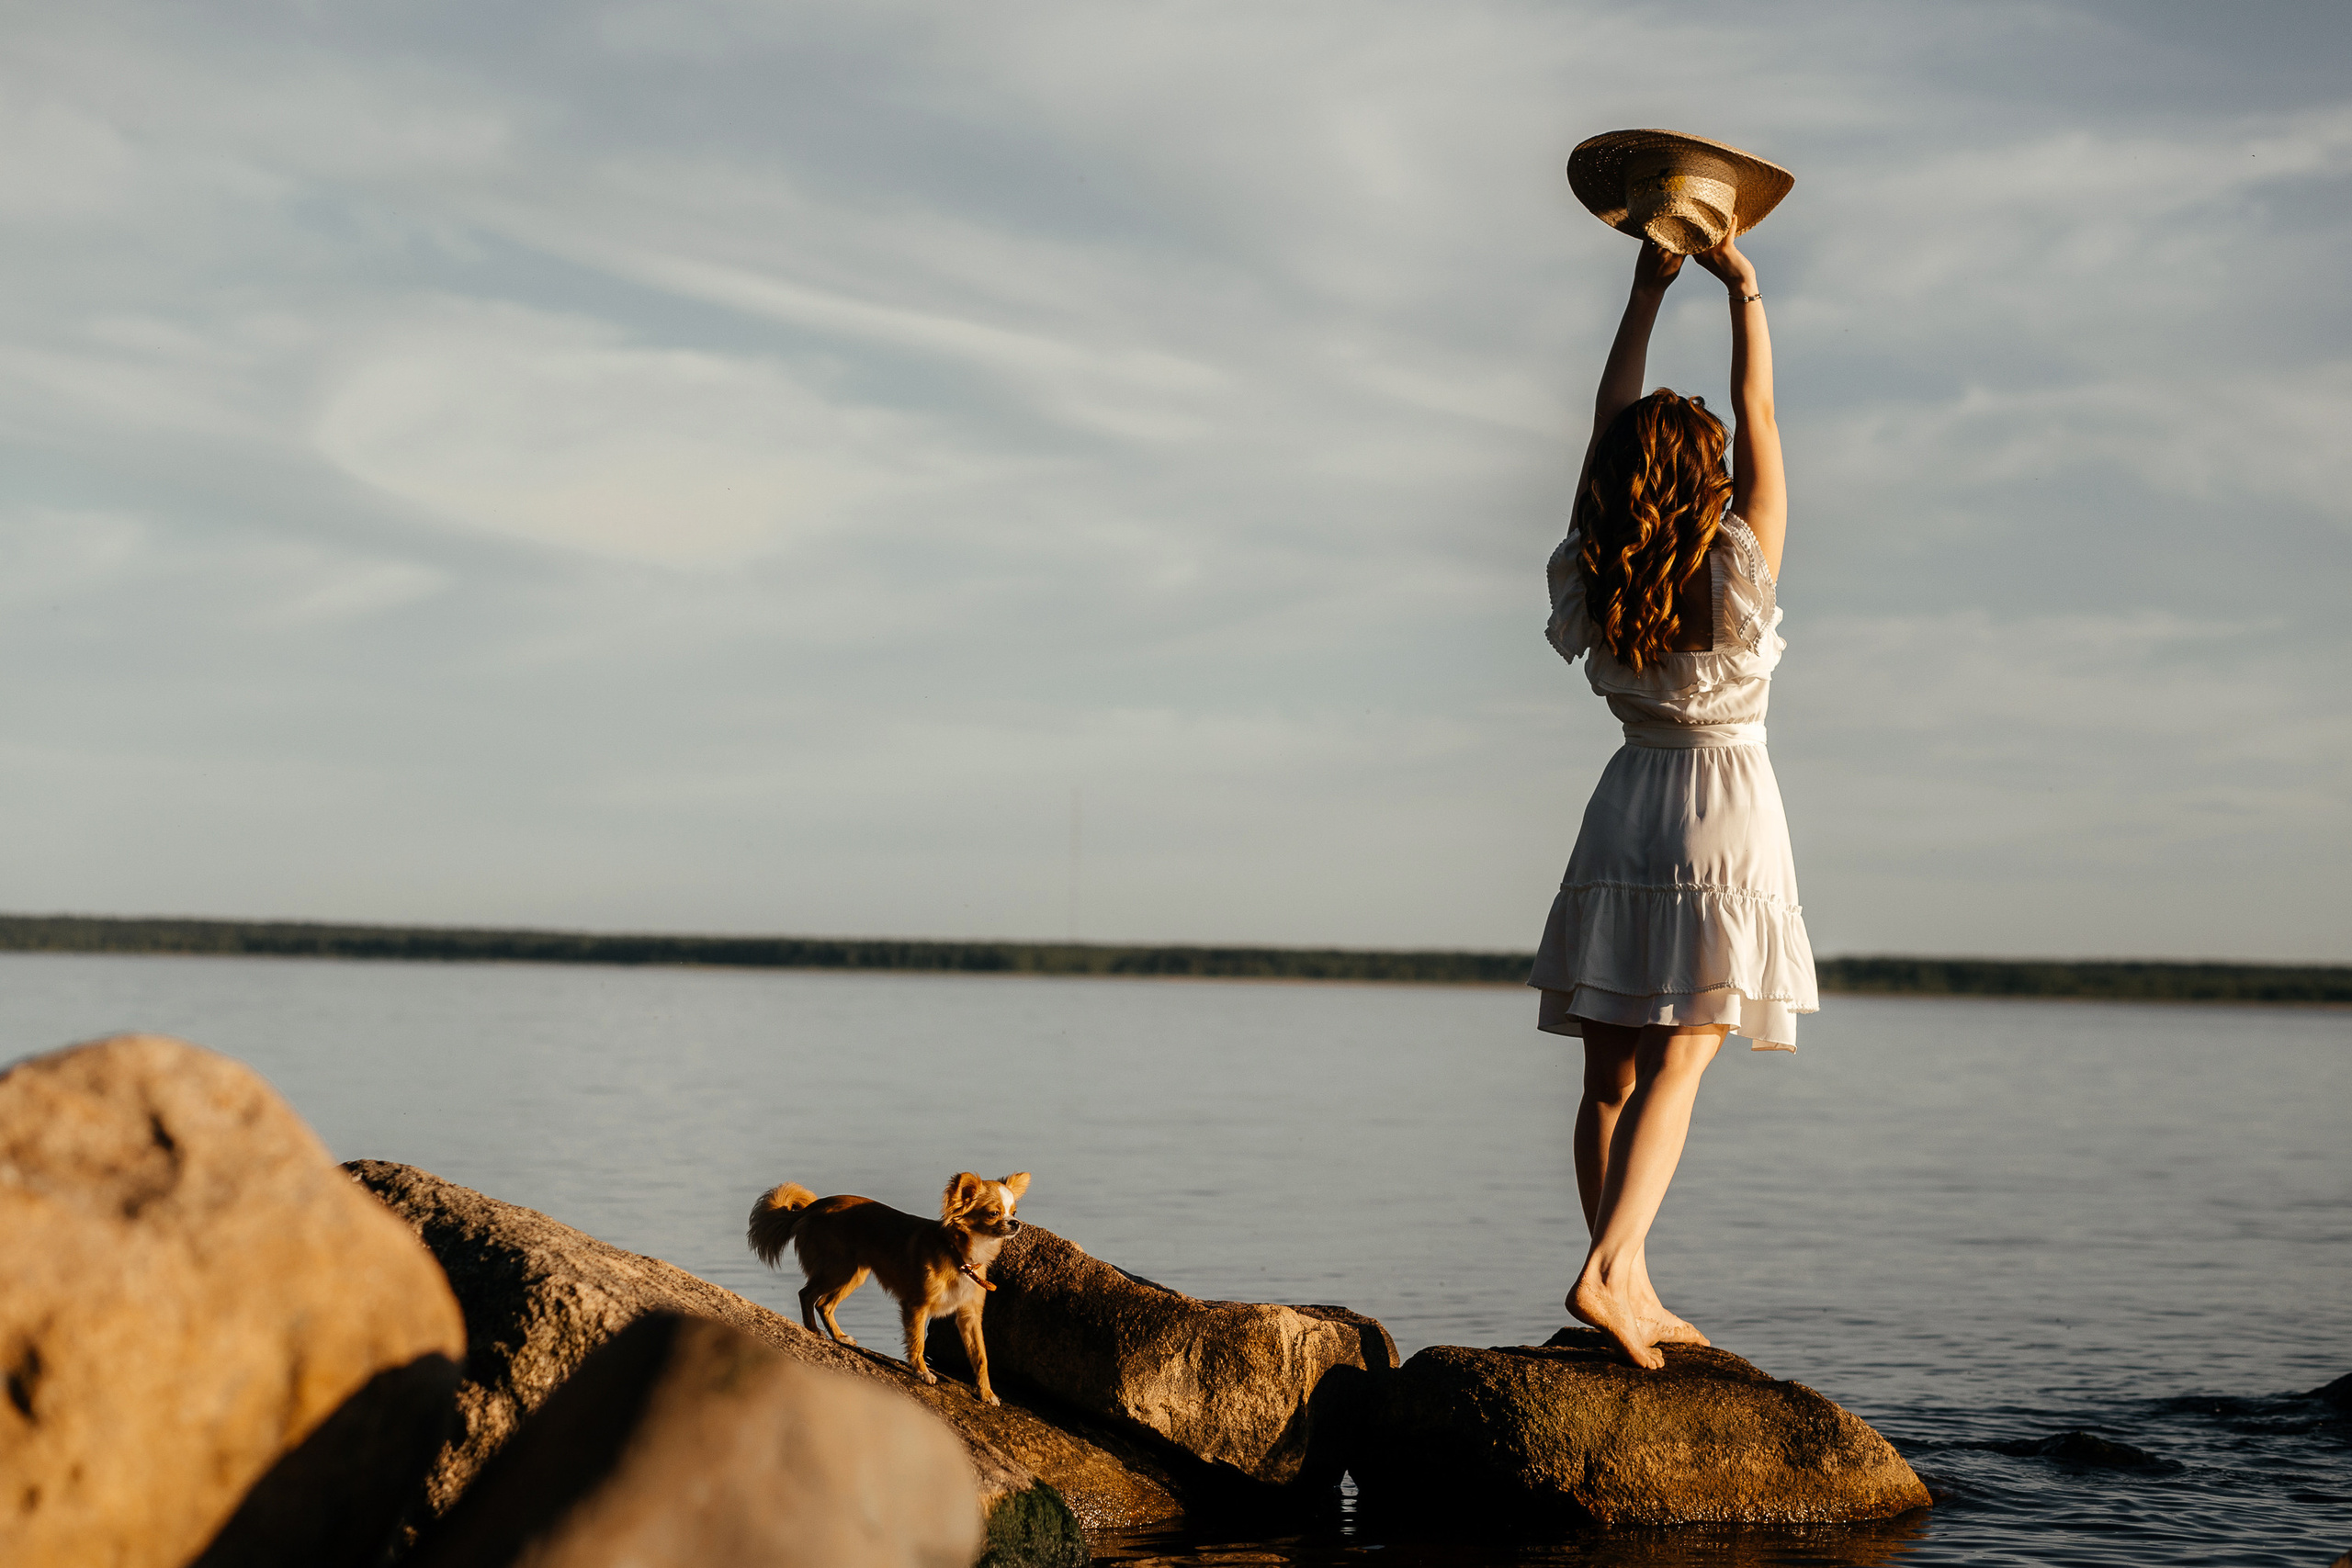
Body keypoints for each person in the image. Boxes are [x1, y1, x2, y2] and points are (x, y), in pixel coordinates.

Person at [1530, 231, 1818, 1370]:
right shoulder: (1739, 562)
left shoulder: (1596, 564)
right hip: (1723, 804)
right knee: (1682, 1060)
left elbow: (1606, 421)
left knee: (1607, 1077)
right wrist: (1743, 290)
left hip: (1627, 804)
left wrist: (1641, 293)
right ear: (1709, 481)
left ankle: (1627, 1277)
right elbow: (1762, 415)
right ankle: (1609, 1273)